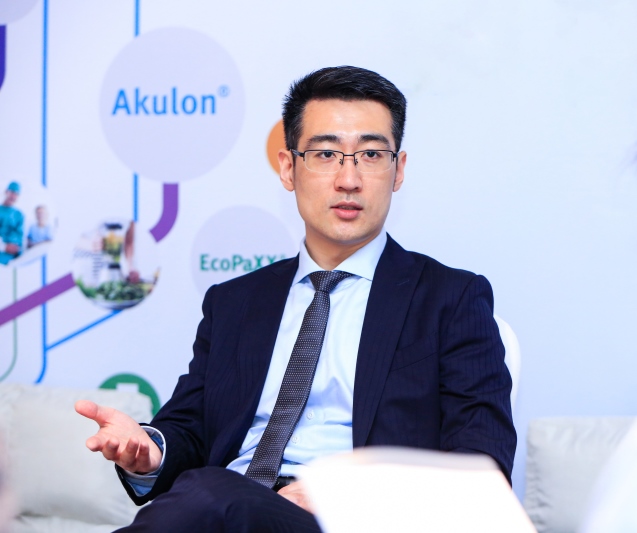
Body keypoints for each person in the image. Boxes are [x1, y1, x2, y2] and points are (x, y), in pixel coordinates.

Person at [76, 66, 516, 532]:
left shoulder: (450, 299)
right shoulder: (234, 302)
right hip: (226, 509)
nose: (349, 179)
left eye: (371, 154)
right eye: (326, 154)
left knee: (211, 491)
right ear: (288, 168)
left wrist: (342, 491)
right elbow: (190, 429)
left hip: (350, 521)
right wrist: (150, 452)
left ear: (398, 170)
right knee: (213, 493)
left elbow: (481, 464)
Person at [0, 182, 24, 265]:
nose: (13, 196)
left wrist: (15, 246)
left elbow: (19, 236)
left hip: (13, 255)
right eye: (12, 192)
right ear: (6, 192)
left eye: (16, 194)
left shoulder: (19, 214)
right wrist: (3, 247)